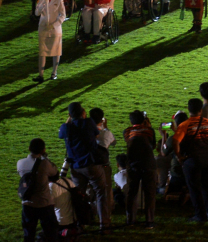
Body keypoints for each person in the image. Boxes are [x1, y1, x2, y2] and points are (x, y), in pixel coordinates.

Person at [58, 103, 111, 233]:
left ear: (70, 115)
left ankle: (79, 225)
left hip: (76, 167)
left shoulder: (66, 127)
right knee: (100, 193)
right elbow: (96, 135)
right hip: (91, 165)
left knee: (79, 197)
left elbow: (61, 135)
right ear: (83, 112)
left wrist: (69, 120)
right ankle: (104, 225)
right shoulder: (88, 123)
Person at [172, 98, 208, 223]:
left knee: (194, 188)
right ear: (201, 110)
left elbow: (176, 141)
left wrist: (179, 156)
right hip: (207, 158)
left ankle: (200, 215)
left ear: (189, 110)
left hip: (192, 160)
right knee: (207, 186)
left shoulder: (185, 125)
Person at [16, 138, 59, 242]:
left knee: (28, 235)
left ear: (29, 148)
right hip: (44, 203)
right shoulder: (45, 164)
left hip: (27, 203)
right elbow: (55, 173)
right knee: (51, 234)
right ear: (43, 150)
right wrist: (46, 158)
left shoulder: (20, 163)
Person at [123, 110, 157, 229]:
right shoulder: (149, 131)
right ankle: (149, 221)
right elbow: (153, 146)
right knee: (150, 194)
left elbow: (128, 142)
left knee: (132, 193)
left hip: (133, 165)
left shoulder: (127, 131)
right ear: (144, 120)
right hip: (148, 164)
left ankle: (130, 220)